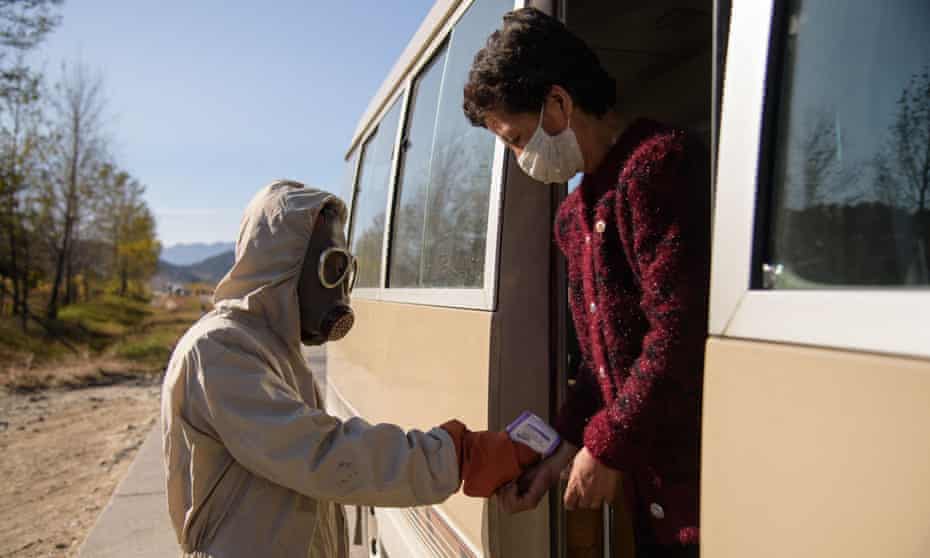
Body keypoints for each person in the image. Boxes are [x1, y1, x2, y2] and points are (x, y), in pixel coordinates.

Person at [160, 181, 541, 557]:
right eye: (333, 267)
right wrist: (460, 457)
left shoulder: (271, 349)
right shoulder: (220, 349)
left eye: (347, 269)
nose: (341, 289)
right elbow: (321, 456)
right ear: (282, 266)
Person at [463, 8, 710, 558]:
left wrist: (606, 447)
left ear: (558, 104)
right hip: (652, 500)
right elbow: (603, 368)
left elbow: (679, 332)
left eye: (517, 139)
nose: (520, 158)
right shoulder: (573, 218)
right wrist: (557, 454)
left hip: (702, 492)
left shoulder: (658, 165)